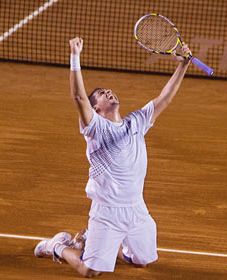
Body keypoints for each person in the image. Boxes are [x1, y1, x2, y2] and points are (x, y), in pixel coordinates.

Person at [34, 37, 191, 278]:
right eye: (102, 95)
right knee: (91, 271)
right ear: (96, 110)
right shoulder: (95, 129)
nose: (108, 93)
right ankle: (57, 246)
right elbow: (78, 97)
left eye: (108, 91)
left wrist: (183, 65)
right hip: (107, 211)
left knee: (141, 262)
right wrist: (75, 56)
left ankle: (93, 241)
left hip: (137, 208)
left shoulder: (137, 122)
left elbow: (165, 98)